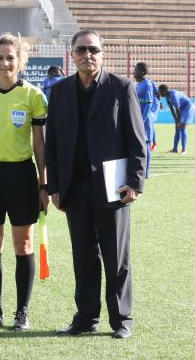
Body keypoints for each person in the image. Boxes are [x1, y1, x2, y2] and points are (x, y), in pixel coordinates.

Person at [46, 30, 146, 339]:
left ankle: (121, 321)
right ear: (71, 54)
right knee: (83, 256)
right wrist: (54, 187)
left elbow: (137, 141)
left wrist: (135, 182)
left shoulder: (122, 87)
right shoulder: (60, 91)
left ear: (102, 53)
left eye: (93, 49)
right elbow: (53, 142)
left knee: (116, 256)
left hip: (113, 187)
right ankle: (86, 318)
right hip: (74, 188)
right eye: (81, 49)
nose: (87, 54)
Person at [0, 33, 48, 331]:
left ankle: (21, 313)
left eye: (10, 58)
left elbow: (39, 144)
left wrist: (43, 183)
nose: (5, 63)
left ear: (20, 61)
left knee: (24, 244)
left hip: (21, 176)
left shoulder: (33, 96)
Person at [133, 62, 158, 177]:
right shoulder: (138, 84)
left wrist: (142, 119)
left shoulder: (147, 84)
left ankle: (146, 172)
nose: (134, 71)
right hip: (139, 116)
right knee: (140, 144)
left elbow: (148, 103)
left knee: (146, 144)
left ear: (143, 72)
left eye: (136, 69)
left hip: (145, 118)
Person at [158, 83, 192, 154]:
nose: (159, 94)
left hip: (188, 108)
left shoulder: (174, 95)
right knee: (177, 128)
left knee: (182, 127)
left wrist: (179, 122)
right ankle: (175, 149)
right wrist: (176, 122)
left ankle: (184, 150)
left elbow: (177, 110)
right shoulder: (167, 97)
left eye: (160, 92)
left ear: (164, 91)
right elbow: (172, 109)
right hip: (181, 109)